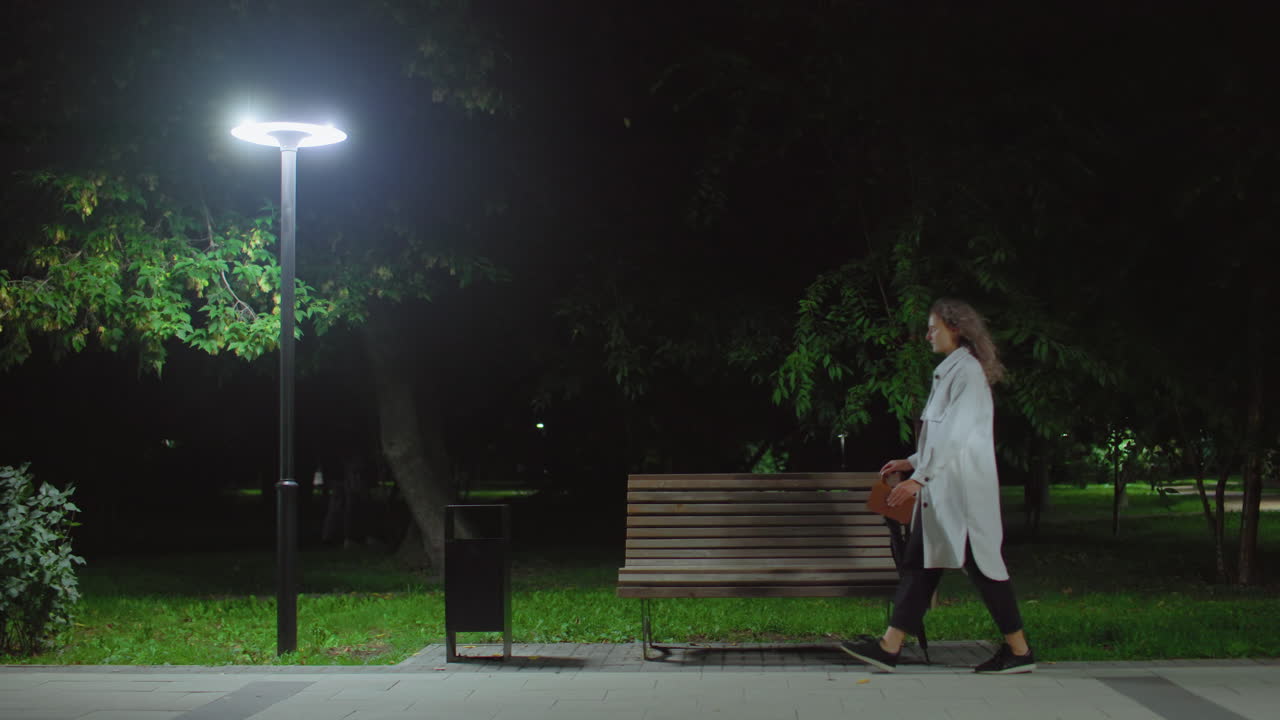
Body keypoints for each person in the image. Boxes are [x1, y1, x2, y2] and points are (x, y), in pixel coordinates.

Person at [842, 298, 1036, 674]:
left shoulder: (968, 374)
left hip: (962, 497)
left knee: (983, 569)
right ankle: (889, 647)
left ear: (956, 329)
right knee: (920, 564)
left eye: (934, 328)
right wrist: (912, 462)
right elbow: (943, 436)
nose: (928, 335)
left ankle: (1020, 651)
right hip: (945, 493)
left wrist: (919, 478)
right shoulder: (952, 372)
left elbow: (958, 435)